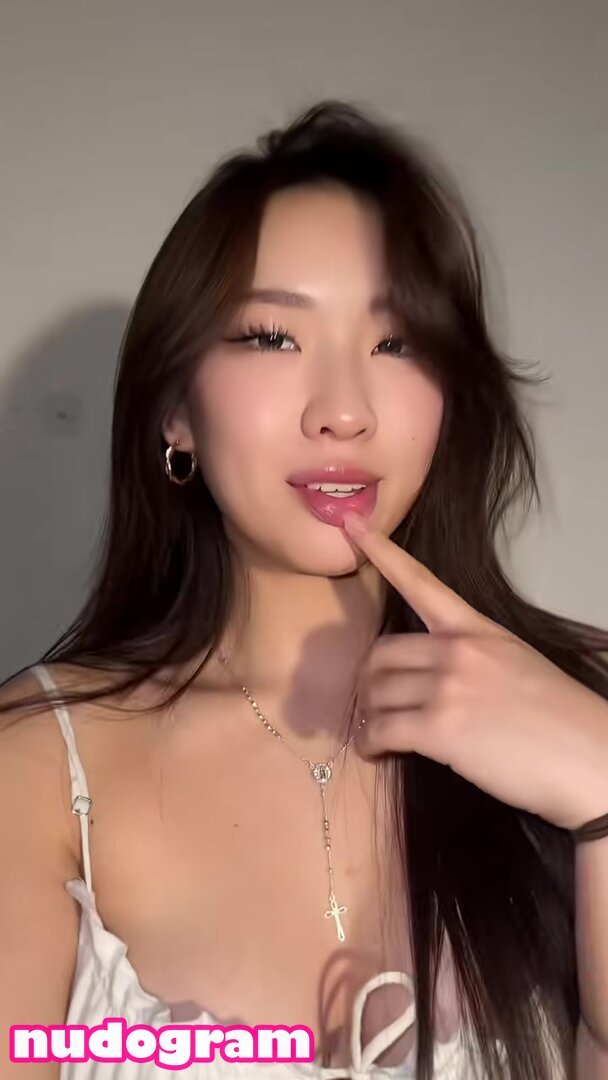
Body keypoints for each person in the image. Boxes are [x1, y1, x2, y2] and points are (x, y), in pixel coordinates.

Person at [0, 100, 607, 1080]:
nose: (342, 412)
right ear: (173, 409)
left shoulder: (586, 700)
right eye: (271, 338)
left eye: (397, 343)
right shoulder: (37, 766)